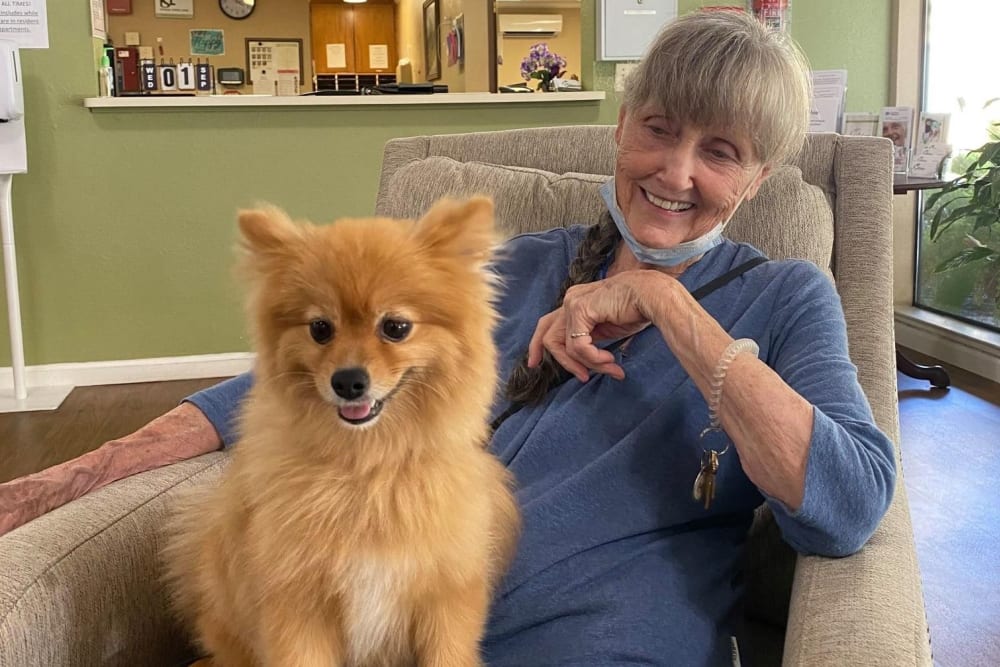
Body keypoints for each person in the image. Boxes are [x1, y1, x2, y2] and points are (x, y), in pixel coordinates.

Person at [0, 11, 895, 665]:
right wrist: (77, 473)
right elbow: (305, 380)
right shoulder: (523, 265)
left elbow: (849, 501)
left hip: (594, 642)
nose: (676, 169)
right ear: (620, 128)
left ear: (759, 177)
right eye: (659, 129)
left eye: (721, 150)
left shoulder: (785, 297)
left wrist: (665, 305)